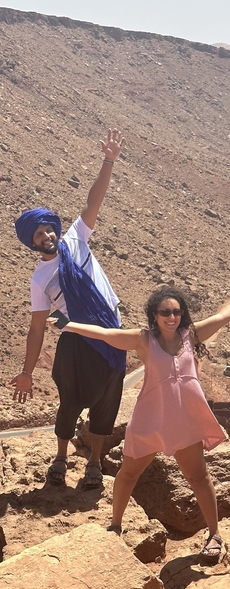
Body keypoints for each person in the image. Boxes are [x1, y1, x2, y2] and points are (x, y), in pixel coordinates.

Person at [49, 279, 230, 561]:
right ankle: (115, 527)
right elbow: (104, 334)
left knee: (199, 477)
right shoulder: (144, 339)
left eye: (176, 312)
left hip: (184, 421)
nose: (171, 317)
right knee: (128, 474)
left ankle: (214, 534)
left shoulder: (191, 335)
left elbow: (223, 317)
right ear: (154, 315)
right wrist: (67, 325)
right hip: (151, 420)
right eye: (165, 312)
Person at [11, 129, 125, 489]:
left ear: (54, 228)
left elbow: (94, 200)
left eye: (47, 229)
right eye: (38, 235)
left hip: (112, 331)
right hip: (76, 339)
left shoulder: (76, 238)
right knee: (70, 400)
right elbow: (37, 328)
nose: (45, 236)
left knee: (108, 398)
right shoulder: (39, 278)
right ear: (32, 244)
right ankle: (60, 457)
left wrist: (108, 161)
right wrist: (27, 371)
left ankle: (94, 462)